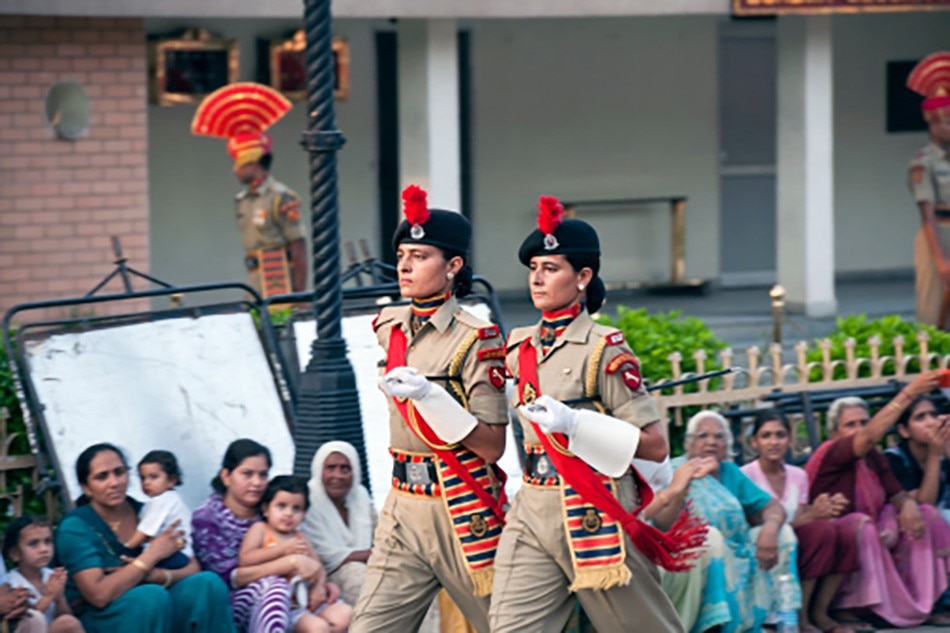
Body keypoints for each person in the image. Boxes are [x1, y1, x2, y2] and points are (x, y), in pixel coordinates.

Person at [490, 196, 706, 632]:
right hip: (532, 502)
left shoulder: (603, 349)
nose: (537, 279)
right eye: (534, 268)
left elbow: (654, 445)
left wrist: (576, 424)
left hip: (591, 502)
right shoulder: (519, 348)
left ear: (583, 277)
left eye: (551, 268)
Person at [353, 185, 508, 633]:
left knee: (506, 625)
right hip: (402, 503)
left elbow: (492, 446)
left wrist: (434, 401)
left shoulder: (476, 339)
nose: (404, 265)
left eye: (420, 256)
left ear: (453, 265)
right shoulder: (389, 326)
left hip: (459, 504)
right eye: (402, 254)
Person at [806, 372, 950, 628]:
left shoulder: (873, 457)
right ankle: (858, 609)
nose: (859, 430)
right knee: (861, 524)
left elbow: (899, 494)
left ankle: (923, 603)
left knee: (925, 513)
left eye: (864, 422)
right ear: (835, 432)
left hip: (876, 538)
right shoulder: (833, 451)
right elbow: (869, 438)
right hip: (840, 541)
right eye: (851, 425)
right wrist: (909, 393)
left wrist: (905, 504)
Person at [55, 443, 234, 633]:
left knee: (207, 584)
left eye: (119, 472)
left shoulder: (149, 512)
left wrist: (158, 576)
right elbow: (99, 595)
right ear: (86, 487)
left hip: (158, 604)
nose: (114, 482)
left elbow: (192, 567)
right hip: (104, 617)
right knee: (150, 597)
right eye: (102, 477)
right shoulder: (76, 527)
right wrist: (151, 556)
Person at [673, 410, 799, 633]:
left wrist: (769, 531)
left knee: (784, 534)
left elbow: (773, 507)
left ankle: (782, 619)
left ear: (727, 444)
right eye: (703, 436)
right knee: (718, 549)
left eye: (719, 436)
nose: (711, 441)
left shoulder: (729, 472)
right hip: (700, 553)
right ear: (689, 442)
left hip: (740, 549)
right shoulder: (676, 471)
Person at [741, 410, 857, 633]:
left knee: (844, 533)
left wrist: (824, 509)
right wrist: (813, 516)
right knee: (818, 533)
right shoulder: (746, 475)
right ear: (754, 442)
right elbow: (754, 527)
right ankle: (800, 618)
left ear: (790, 440)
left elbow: (802, 516)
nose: (773, 442)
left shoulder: (798, 475)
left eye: (780, 435)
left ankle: (820, 612)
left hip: (797, 539)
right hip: (766, 547)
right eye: (766, 436)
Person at [193, 439, 326, 633]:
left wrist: (320, 585)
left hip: (291, 599)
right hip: (228, 608)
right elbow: (228, 580)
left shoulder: (274, 510)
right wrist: (291, 562)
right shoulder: (208, 520)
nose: (256, 483)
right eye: (247, 474)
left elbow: (311, 558)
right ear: (226, 476)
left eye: (263, 475)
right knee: (276, 586)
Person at [191, 83, 306, 296]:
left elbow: (298, 246)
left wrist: (300, 294)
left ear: (254, 163)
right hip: (254, 281)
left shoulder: (280, 197)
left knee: (280, 324)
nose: (235, 171)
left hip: (278, 279)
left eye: (239, 164)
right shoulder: (244, 200)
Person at [239, 476, 352, 633]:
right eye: (281, 506)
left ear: (304, 513)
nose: (288, 514)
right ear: (266, 509)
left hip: (309, 599)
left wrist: (319, 587)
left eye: (296, 508)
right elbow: (246, 559)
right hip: (287, 607)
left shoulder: (301, 537)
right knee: (318, 628)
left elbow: (318, 566)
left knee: (345, 614)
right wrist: (282, 550)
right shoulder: (261, 530)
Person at [905, 52, 950, 326]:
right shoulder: (923, 162)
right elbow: (927, 214)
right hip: (939, 236)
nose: (946, 127)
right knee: (934, 310)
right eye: (941, 122)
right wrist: (941, 260)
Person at [301, 441, 375, 607]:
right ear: (319, 470)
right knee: (357, 575)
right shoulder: (308, 499)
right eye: (331, 468)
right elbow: (327, 555)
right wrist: (375, 555)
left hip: (370, 565)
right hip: (325, 576)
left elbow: (382, 533)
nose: (338, 475)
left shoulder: (361, 496)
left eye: (345, 469)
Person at [2, 516, 83, 632]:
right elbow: (30, 621)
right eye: (34, 544)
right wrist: (49, 596)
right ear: (15, 554)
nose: (44, 549)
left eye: (48, 541)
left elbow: (66, 616)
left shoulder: (50, 575)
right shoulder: (12, 583)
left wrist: (59, 597)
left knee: (68, 622)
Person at [885, 393, 950, 524]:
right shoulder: (894, 458)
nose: (931, 423)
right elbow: (925, 506)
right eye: (920, 418)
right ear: (904, 430)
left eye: (933, 415)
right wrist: (934, 455)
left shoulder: (943, 449)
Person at [124, 450, 193, 558]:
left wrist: (126, 548)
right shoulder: (169, 499)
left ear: (172, 480)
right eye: (143, 478)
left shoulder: (163, 500)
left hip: (174, 554)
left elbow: (144, 531)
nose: (146, 483)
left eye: (154, 477)